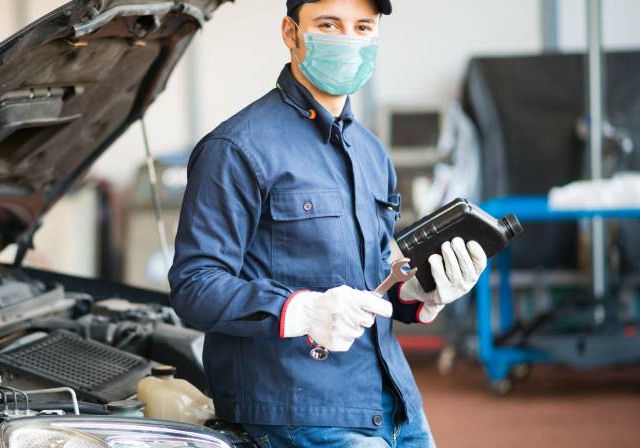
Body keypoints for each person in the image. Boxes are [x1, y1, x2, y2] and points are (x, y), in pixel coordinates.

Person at [168, 1, 487, 446]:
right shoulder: (236, 149)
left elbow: (371, 277)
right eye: (328, 25)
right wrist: (304, 311)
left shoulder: (371, 153)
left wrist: (419, 292)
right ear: (290, 32)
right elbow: (194, 286)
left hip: (395, 405)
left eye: (363, 27)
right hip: (299, 412)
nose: (347, 39)